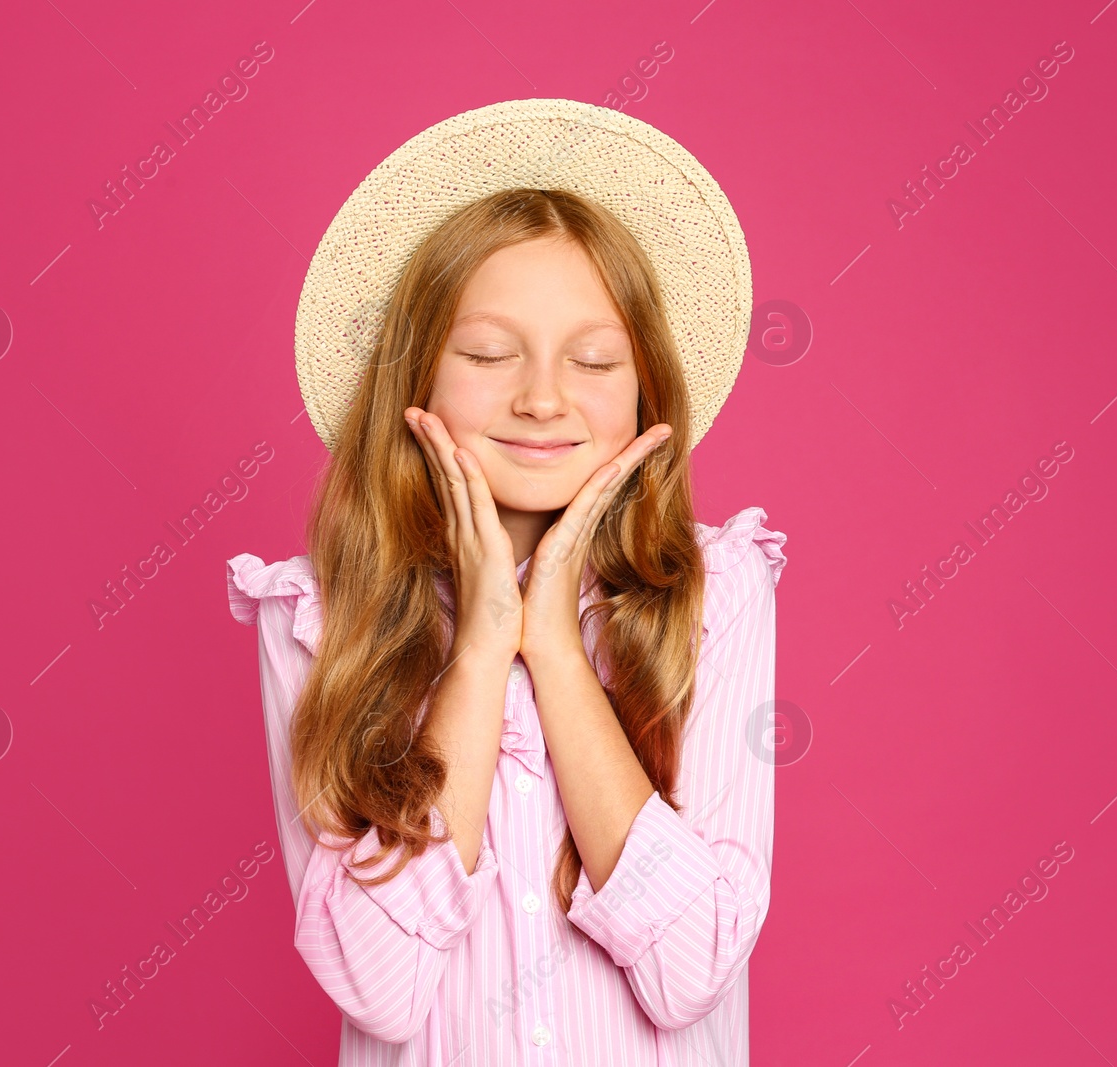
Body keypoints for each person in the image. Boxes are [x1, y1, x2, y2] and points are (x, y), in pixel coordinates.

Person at [226, 98, 787, 1066]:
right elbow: (376, 985)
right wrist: (484, 643)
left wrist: (556, 650)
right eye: (487, 354)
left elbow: (691, 968)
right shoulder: (317, 613)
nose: (540, 394)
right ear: (417, 379)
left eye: (594, 358)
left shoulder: (717, 590)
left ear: (645, 384)